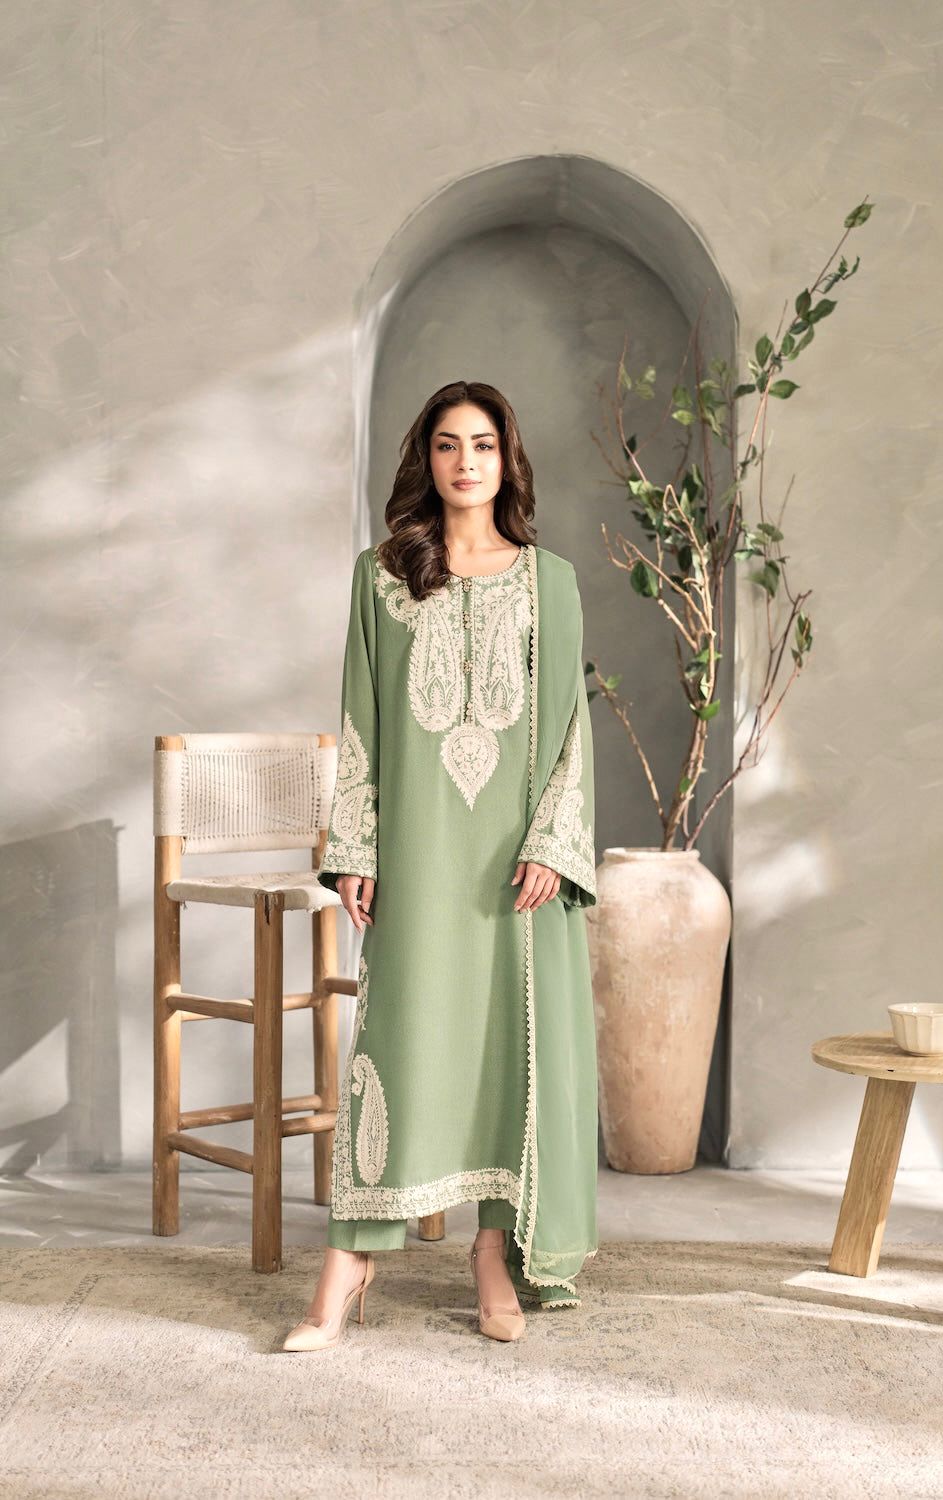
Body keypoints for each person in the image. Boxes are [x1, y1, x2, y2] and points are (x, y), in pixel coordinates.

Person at [282, 380, 599, 1352]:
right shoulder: (380, 577)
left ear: (509, 461)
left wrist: (551, 842)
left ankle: (492, 1254)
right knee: (402, 1039)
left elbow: (569, 731)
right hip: (419, 848)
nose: (467, 462)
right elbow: (361, 720)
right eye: (449, 444)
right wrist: (355, 848)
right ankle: (351, 1260)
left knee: (510, 1047)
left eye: (484, 445)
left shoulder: (550, 582)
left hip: (515, 864)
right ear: (425, 459)